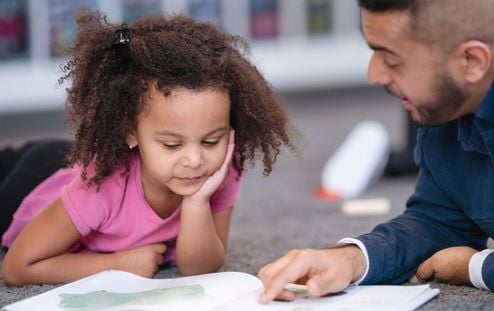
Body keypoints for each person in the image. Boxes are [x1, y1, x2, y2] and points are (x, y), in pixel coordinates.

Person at [1, 11, 295, 286]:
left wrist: (196, 203)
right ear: (130, 133)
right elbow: (17, 267)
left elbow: (200, 267)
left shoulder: (224, 165)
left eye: (210, 141)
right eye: (172, 144)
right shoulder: (99, 187)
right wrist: (115, 264)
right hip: (32, 179)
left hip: (80, 166)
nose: (195, 159)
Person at [259, 0, 494, 302]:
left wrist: (474, 267)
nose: (373, 75)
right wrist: (351, 259)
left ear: (472, 61)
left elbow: (464, 257)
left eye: (393, 60)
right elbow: (437, 221)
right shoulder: (443, 110)